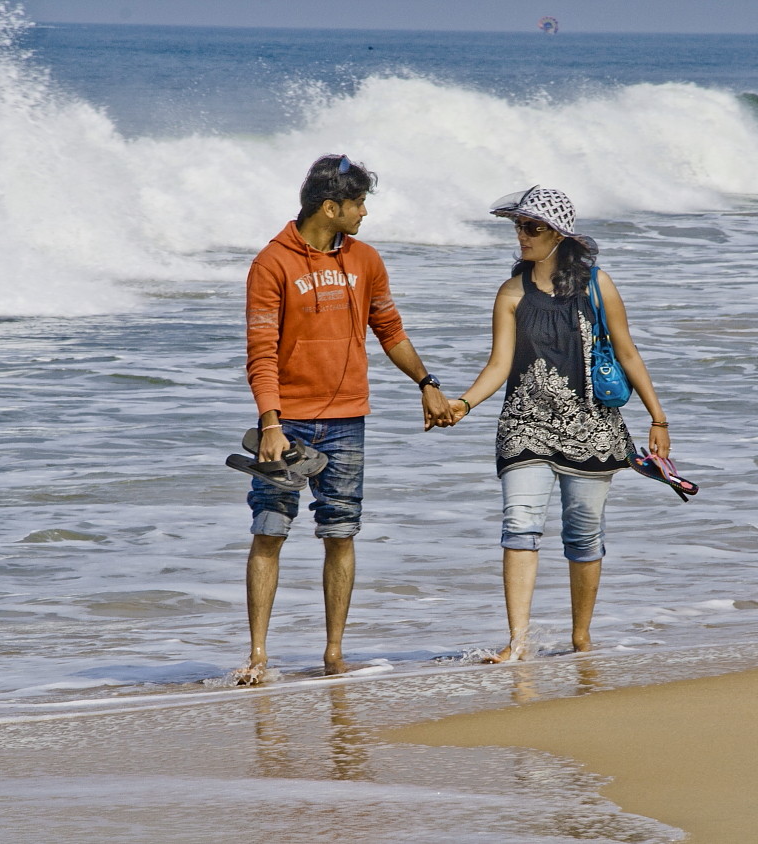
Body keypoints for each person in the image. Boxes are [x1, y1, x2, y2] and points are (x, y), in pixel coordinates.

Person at [239, 154, 452, 684]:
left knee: (341, 531)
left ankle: (334, 653)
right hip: (285, 424)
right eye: (357, 204)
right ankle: (259, 656)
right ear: (330, 207)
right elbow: (261, 351)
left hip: (347, 420)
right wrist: (270, 423)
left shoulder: (366, 261)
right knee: (269, 530)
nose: (363, 213)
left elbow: (390, 330)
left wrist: (427, 384)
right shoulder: (272, 263)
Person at [444, 186, 671, 662]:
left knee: (583, 533)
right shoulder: (510, 293)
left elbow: (627, 350)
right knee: (519, 524)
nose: (521, 236)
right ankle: (517, 643)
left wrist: (658, 417)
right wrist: (461, 405)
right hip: (525, 423)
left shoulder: (597, 285)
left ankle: (581, 638)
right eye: (519, 227)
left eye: (532, 228)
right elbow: (499, 366)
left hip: (592, 423)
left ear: (559, 235)